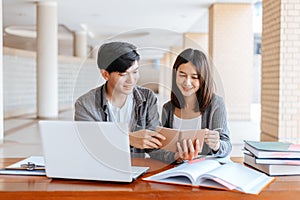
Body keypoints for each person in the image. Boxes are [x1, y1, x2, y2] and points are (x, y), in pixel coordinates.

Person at [74, 41, 175, 163]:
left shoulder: (147, 98)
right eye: (123, 74)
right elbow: (89, 146)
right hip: (99, 170)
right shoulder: (85, 104)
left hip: (135, 171)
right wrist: (128, 139)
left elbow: (154, 146)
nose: (131, 80)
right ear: (105, 74)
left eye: (135, 72)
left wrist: (176, 156)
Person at [161, 48, 232, 161]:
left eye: (194, 77)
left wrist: (217, 145)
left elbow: (227, 146)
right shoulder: (168, 108)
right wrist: (175, 157)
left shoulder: (216, 104)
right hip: (178, 170)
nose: (187, 82)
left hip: (207, 170)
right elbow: (162, 148)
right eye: (182, 75)